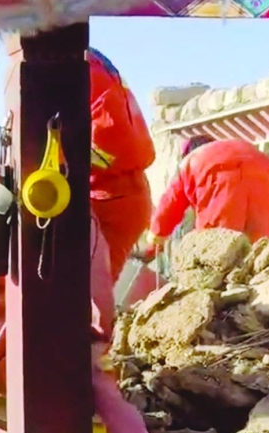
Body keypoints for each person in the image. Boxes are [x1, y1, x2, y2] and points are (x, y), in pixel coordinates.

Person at [141, 134, 269, 259]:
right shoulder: (247, 148)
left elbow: (170, 203)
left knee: (219, 264)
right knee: (266, 260)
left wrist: (155, 239)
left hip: (223, 212)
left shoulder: (191, 162)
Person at [87, 47, 156, 280]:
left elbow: (108, 139)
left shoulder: (80, 68)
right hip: (123, 198)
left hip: (113, 201)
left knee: (91, 293)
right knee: (93, 290)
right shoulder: (97, 67)